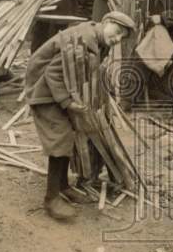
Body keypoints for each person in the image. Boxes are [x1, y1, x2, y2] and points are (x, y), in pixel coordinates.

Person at [25, 12, 136, 221]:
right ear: (107, 22)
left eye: (123, 37)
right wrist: (67, 102)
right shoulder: (82, 41)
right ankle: (51, 198)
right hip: (44, 91)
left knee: (72, 133)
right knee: (61, 136)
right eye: (118, 32)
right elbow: (53, 74)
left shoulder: (99, 41)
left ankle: (63, 185)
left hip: (60, 91)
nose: (118, 39)